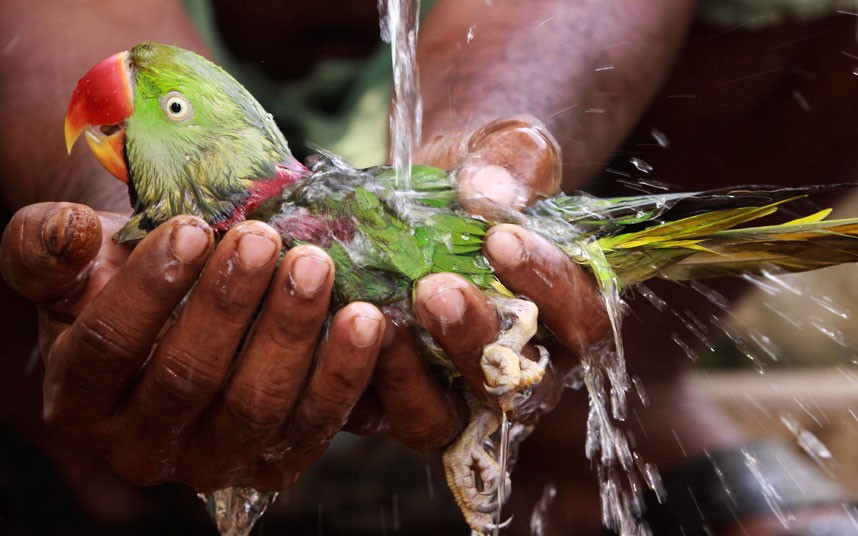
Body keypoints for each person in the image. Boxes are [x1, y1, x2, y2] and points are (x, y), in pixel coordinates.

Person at [1, 1, 856, 534]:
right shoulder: (204, 207)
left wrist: (496, 159)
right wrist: (95, 236)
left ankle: (596, 439)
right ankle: (74, 470)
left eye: (174, 109)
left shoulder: (301, 217)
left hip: (515, 197)